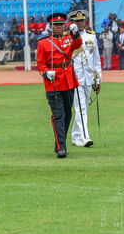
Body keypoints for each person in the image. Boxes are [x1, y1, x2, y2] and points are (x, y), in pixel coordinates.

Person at [36, 12, 82, 158]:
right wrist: (45, 73)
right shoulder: (43, 42)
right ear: (51, 26)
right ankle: (61, 147)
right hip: (53, 82)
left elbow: (78, 45)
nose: (59, 27)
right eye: (56, 25)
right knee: (58, 115)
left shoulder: (69, 39)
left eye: (61, 25)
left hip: (68, 80)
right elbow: (40, 63)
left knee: (67, 114)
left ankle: (59, 143)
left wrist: (76, 34)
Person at [70, 10, 102, 147]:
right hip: (75, 77)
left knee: (83, 109)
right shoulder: (68, 38)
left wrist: (98, 79)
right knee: (81, 107)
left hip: (88, 77)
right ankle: (85, 137)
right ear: (72, 22)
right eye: (77, 21)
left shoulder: (91, 37)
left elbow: (96, 60)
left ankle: (75, 136)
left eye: (82, 21)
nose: (80, 23)